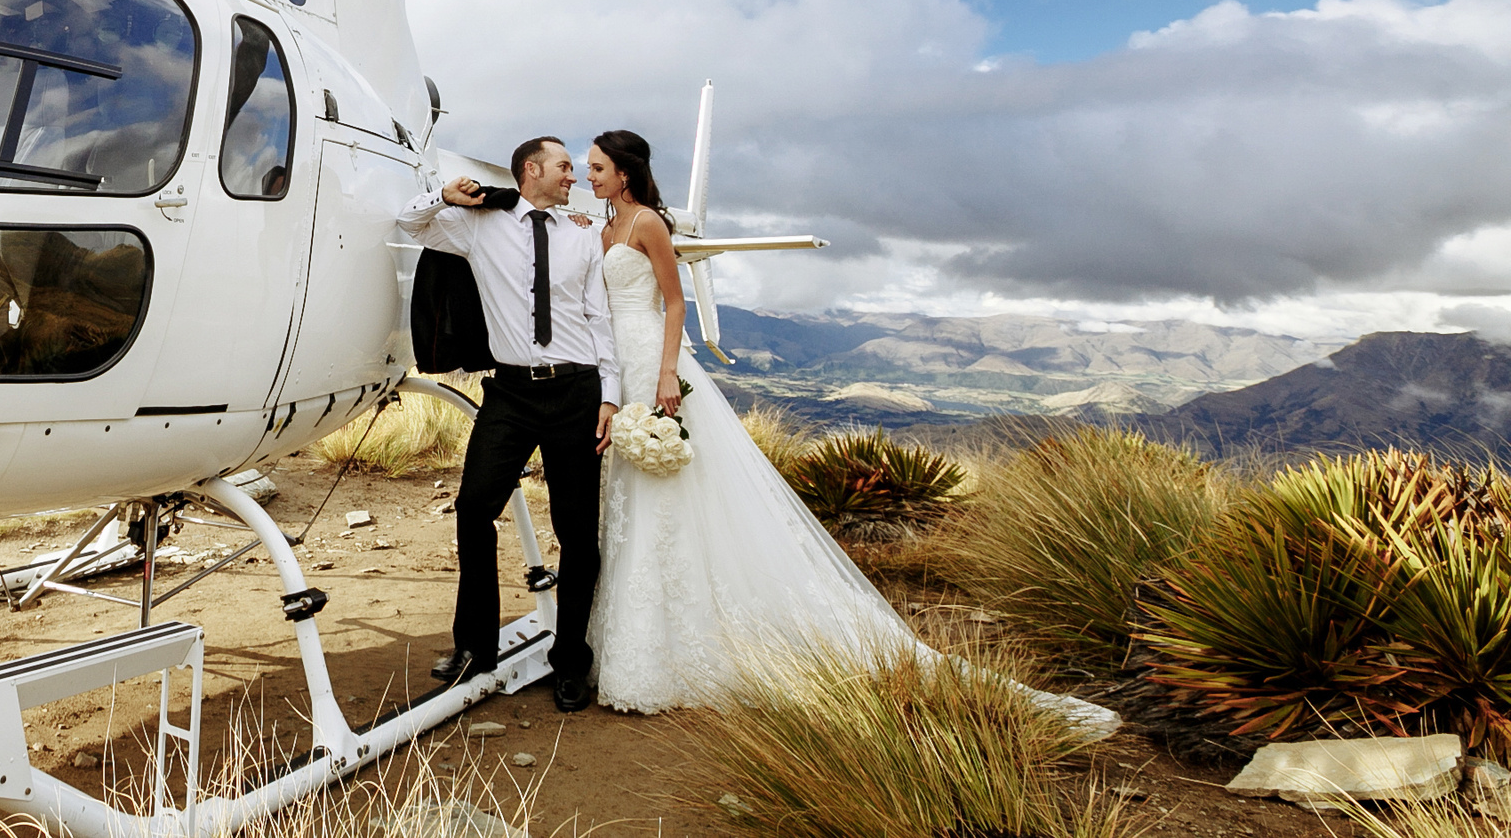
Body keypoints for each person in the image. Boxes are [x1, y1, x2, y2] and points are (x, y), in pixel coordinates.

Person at [580, 128, 1117, 737]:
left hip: (653, 363)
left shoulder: (649, 223)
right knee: (628, 501)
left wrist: (668, 374)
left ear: (624, 172)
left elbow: (674, 304)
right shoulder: (599, 230)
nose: (588, 173)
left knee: (669, 499)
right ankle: (638, 642)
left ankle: (675, 651)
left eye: (597, 166)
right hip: (616, 368)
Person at [396, 137, 616, 712]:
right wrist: (444, 195)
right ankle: (474, 647)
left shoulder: (582, 235)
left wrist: (609, 396)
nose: (573, 177)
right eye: (565, 166)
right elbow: (411, 222)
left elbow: (599, 319)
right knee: (473, 508)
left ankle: (570, 661)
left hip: (576, 390)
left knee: (576, 530)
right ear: (531, 170)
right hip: (511, 393)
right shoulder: (478, 227)